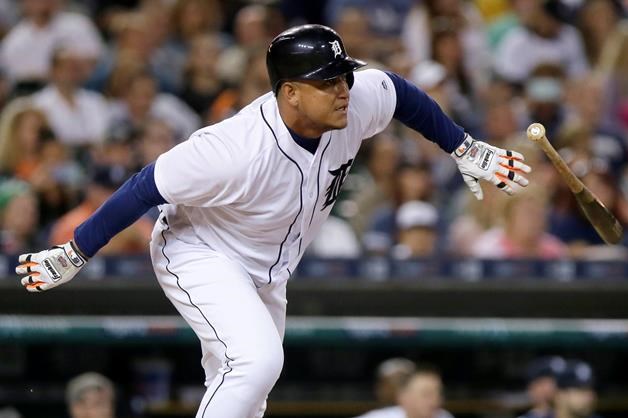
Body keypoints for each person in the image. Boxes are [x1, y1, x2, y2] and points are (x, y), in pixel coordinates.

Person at [15, 24, 530, 417]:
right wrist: (74, 252)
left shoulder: (354, 102)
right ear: (290, 93)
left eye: (343, 75)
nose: (344, 89)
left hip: (268, 265)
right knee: (257, 361)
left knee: (248, 392)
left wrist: (464, 146)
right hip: (201, 251)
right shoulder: (234, 149)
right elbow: (143, 186)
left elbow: (398, 93)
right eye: (327, 81)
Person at [356, 367, 454, 418]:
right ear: (404, 397)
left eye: (439, 393)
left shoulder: (444, 416)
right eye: (426, 394)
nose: (436, 400)